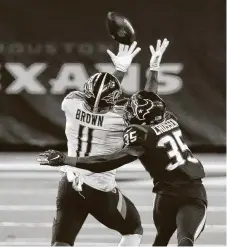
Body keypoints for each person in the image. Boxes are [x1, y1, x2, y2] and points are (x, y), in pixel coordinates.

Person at [38, 40, 207, 246]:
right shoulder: (119, 119)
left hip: (69, 182)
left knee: (61, 241)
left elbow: (97, 98)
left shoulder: (70, 103)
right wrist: (151, 68)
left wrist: (119, 70)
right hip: (99, 187)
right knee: (133, 230)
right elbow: (146, 104)